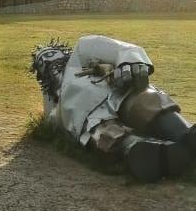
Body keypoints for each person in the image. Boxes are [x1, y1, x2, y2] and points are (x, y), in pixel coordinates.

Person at [31, 35, 196, 182]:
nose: (48, 63)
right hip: (91, 118)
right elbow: (54, 124)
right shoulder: (57, 104)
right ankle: (145, 151)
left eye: (50, 54)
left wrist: (130, 61)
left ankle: (186, 134)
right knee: (104, 135)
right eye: (41, 63)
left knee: (148, 102)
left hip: (119, 91)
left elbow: (116, 48)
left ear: (63, 53)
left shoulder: (80, 53)